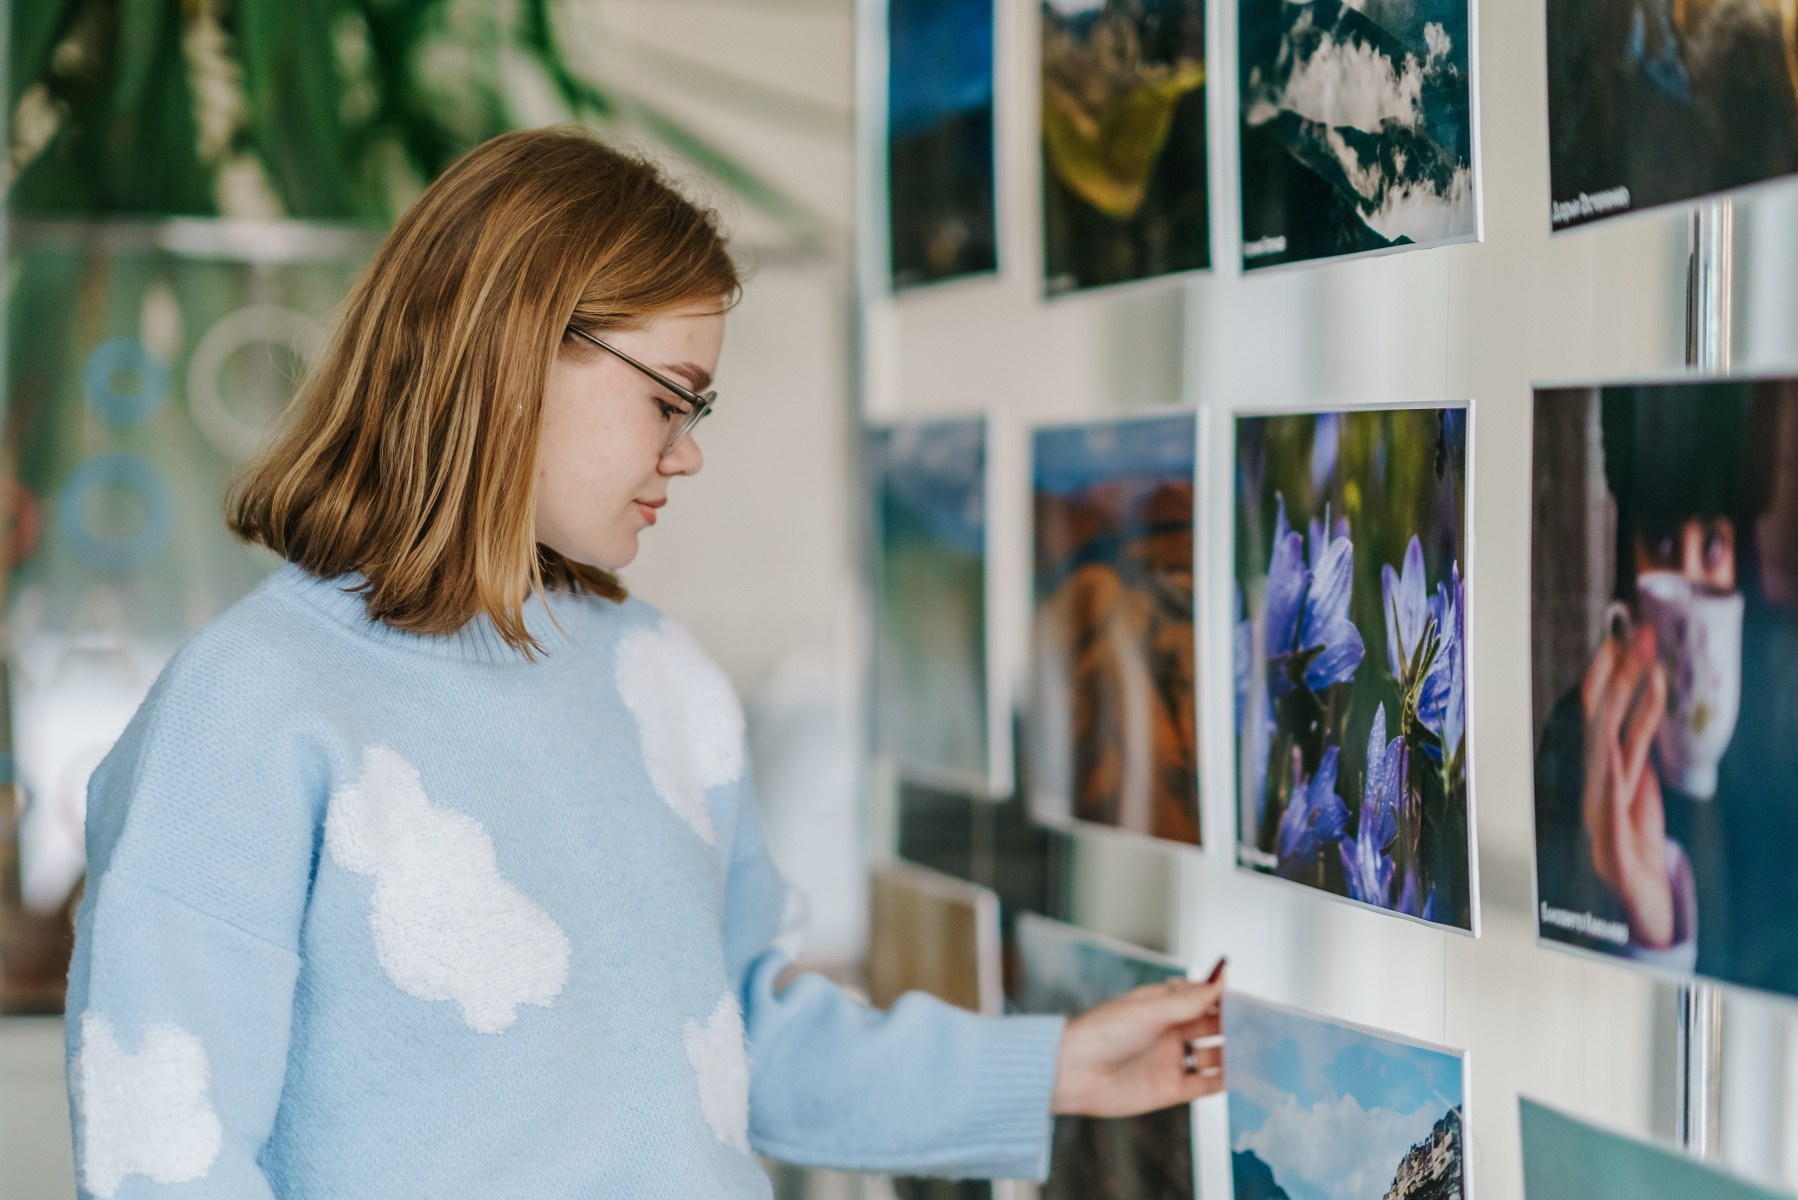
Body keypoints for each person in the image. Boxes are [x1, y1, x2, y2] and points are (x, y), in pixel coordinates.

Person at [61, 128, 1226, 1199]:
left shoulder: (667, 684)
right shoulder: (249, 704)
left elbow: (748, 1043)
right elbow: (162, 1150)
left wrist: (1058, 1068)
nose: (687, 453)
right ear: (515, 350)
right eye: (669, 401)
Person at [1534, 385, 1798, 998]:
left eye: (1714, 546)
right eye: (1660, 546)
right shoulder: (1578, 735)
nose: (1688, 578)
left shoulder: (1783, 735)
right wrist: (1646, 922)